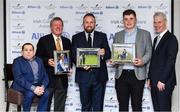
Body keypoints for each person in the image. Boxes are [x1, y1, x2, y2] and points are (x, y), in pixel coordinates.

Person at [113, 9, 152, 111]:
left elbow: (149, 52)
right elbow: (115, 53)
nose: (128, 21)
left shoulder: (145, 34)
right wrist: (114, 60)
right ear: (123, 21)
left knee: (137, 106)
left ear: (135, 20)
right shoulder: (117, 35)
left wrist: (142, 60)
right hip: (121, 75)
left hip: (137, 75)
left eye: (131, 19)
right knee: (122, 107)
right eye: (126, 19)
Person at [71, 13, 111, 111]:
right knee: (85, 107)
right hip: (83, 77)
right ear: (83, 24)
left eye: (91, 22)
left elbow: (108, 54)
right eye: (87, 22)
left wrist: (104, 53)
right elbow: (73, 56)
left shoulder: (102, 36)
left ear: (95, 24)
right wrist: (81, 65)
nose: (89, 24)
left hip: (99, 78)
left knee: (98, 108)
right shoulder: (76, 37)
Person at [36, 17, 71, 111]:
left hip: (62, 79)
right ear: (51, 27)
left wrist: (69, 68)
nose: (58, 27)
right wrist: (47, 61)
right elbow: (37, 58)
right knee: (45, 106)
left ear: (62, 27)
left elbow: (69, 58)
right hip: (48, 79)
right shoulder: (43, 40)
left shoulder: (67, 41)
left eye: (60, 25)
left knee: (60, 108)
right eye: (55, 25)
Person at [147, 12, 178, 111]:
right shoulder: (156, 39)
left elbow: (171, 61)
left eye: (159, 22)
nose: (156, 25)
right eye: (155, 23)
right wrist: (149, 78)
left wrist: (162, 80)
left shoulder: (171, 39)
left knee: (164, 109)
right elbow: (153, 60)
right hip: (154, 82)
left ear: (165, 22)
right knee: (157, 109)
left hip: (164, 83)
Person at [12, 43, 49, 111]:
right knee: (30, 93)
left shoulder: (39, 60)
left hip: (37, 85)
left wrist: (42, 87)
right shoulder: (17, 61)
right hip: (22, 86)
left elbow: (45, 75)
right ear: (22, 52)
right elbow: (19, 78)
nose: (28, 52)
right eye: (26, 50)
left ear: (34, 52)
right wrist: (34, 88)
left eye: (30, 50)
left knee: (46, 93)